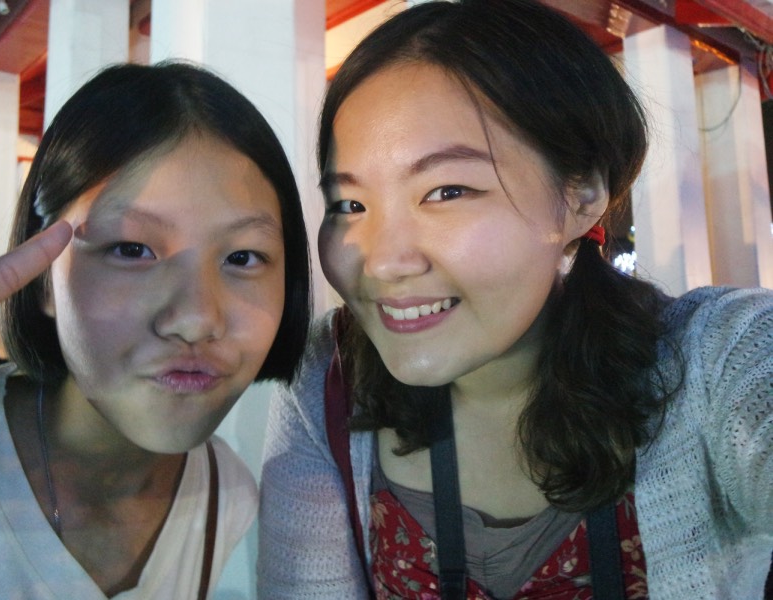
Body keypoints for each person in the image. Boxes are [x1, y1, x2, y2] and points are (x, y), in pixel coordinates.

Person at [257, 1, 772, 599]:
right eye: (349, 205)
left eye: (447, 191)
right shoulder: (327, 378)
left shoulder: (717, 359)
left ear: (582, 196)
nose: (384, 262)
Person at [0, 61, 310, 599]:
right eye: (131, 249)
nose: (197, 319)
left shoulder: (231, 499)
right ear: (42, 277)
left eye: (243, 257)